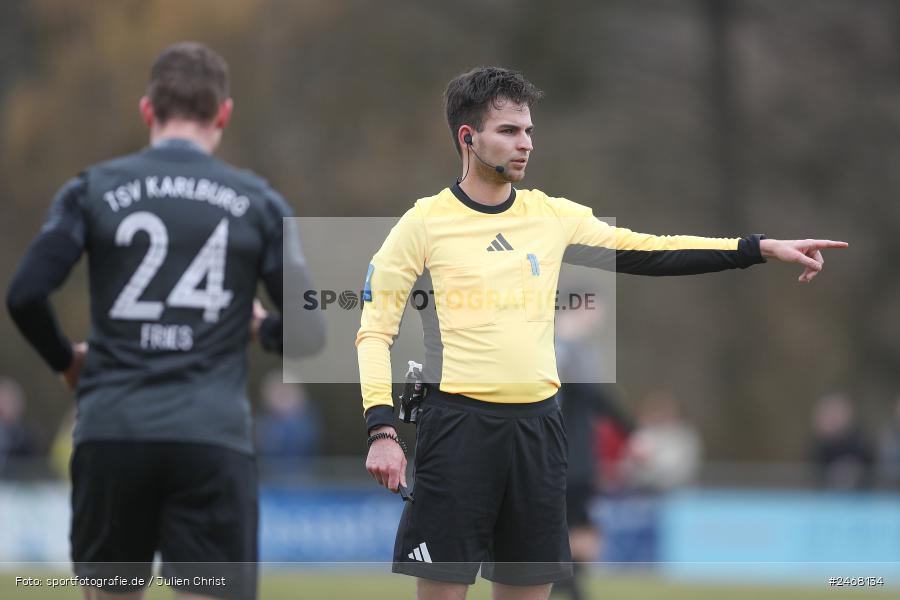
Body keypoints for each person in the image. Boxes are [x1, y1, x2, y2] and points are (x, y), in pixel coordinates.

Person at [358, 66, 847, 600]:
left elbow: (654, 249)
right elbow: (373, 332)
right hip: (457, 430)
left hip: (539, 430)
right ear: (468, 138)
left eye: (529, 131)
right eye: (509, 131)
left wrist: (757, 247)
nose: (525, 144)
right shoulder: (423, 223)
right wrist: (382, 430)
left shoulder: (553, 216)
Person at [6, 42, 325, 600]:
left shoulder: (91, 189)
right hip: (211, 439)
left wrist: (66, 362)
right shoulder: (260, 202)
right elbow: (313, 331)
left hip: (111, 435)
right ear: (223, 114)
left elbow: (26, 294)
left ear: (147, 111)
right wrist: (260, 329)